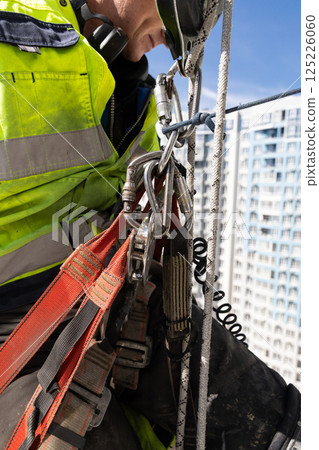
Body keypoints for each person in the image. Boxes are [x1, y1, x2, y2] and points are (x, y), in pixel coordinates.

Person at [0, 0, 301, 449]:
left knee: (269, 418)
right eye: (176, 14)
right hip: (17, 333)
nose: (168, 41)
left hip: (111, 303)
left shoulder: (131, 87)